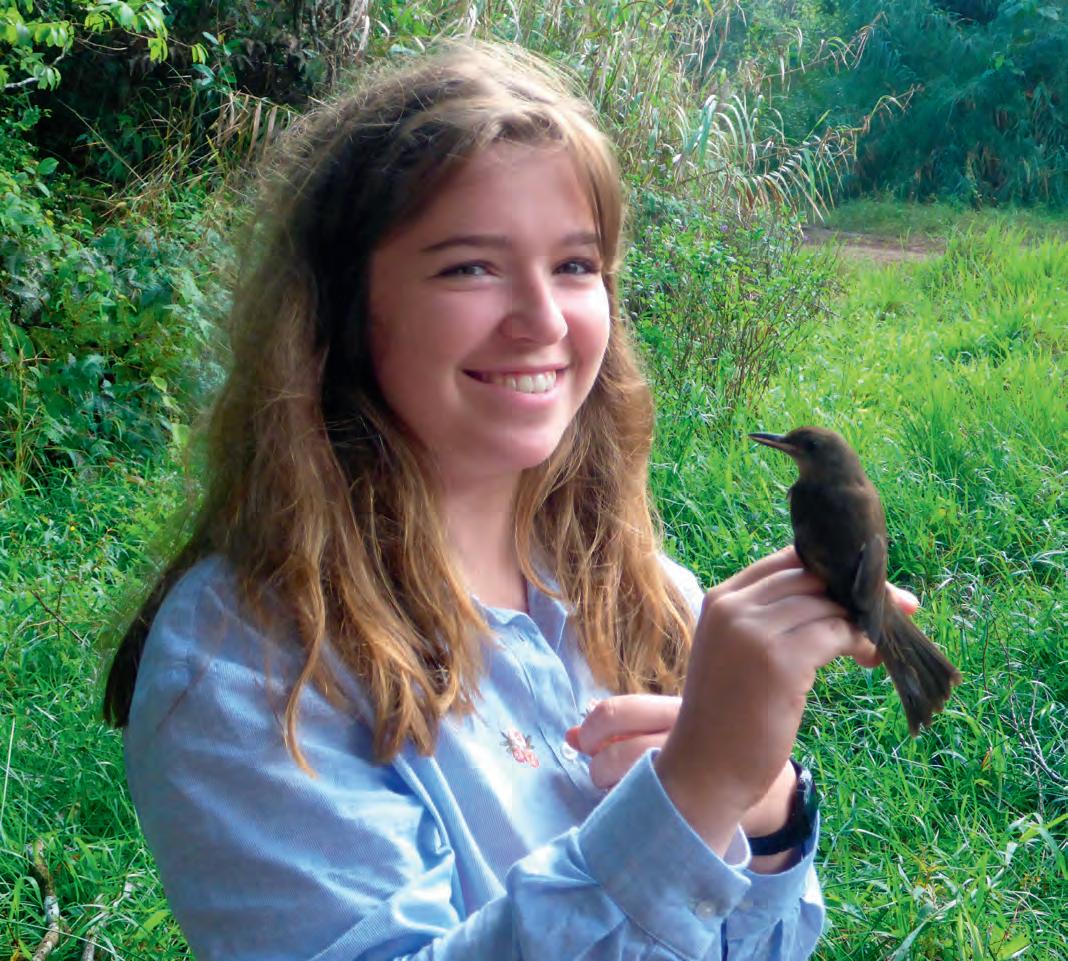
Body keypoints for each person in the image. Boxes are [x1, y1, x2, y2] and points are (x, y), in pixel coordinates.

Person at [103, 40, 910, 961]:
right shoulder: (246, 662)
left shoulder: (652, 597)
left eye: (575, 266)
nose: (544, 319)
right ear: (341, 309)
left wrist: (764, 811)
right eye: (470, 268)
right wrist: (689, 799)